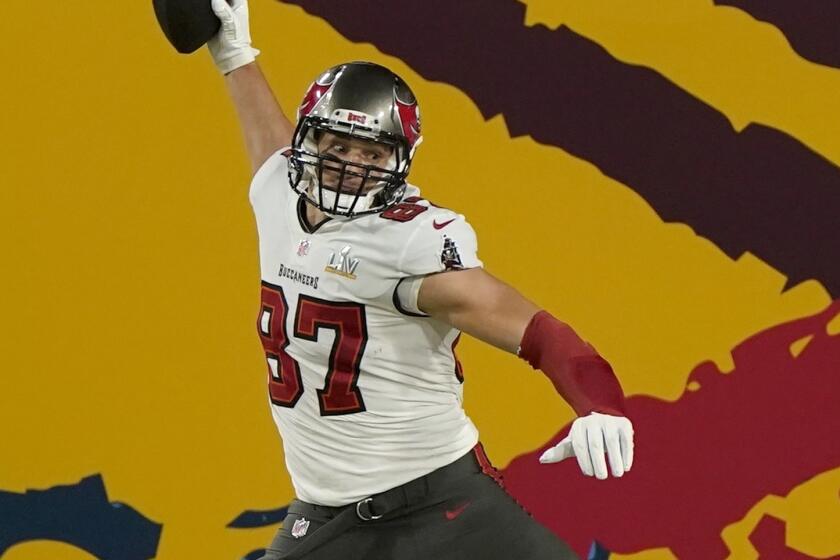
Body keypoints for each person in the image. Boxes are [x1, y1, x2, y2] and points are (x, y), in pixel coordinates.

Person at [207, 0, 634, 558]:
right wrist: (234, 53)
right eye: (338, 147)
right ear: (307, 145)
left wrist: (601, 405)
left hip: (445, 508)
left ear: (402, 161)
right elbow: (267, 137)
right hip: (327, 519)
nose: (353, 167)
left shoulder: (409, 241)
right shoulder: (277, 192)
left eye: (372, 153)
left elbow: (538, 332)